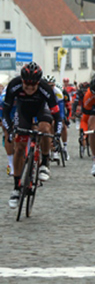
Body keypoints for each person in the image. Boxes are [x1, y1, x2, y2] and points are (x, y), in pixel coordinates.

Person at [3, 62, 63, 208]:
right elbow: (5, 112)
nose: (29, 89)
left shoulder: (45, 88)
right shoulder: (14, 85)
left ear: (38, 83)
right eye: (27, 85)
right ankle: (17, 188)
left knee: (44, 128)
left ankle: (44, 162)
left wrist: (58, 133)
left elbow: (57, 116)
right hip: (23, 112)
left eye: (33, 86)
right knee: (19, 147)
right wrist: (10, 130)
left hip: (41, 111)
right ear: (22, 81)